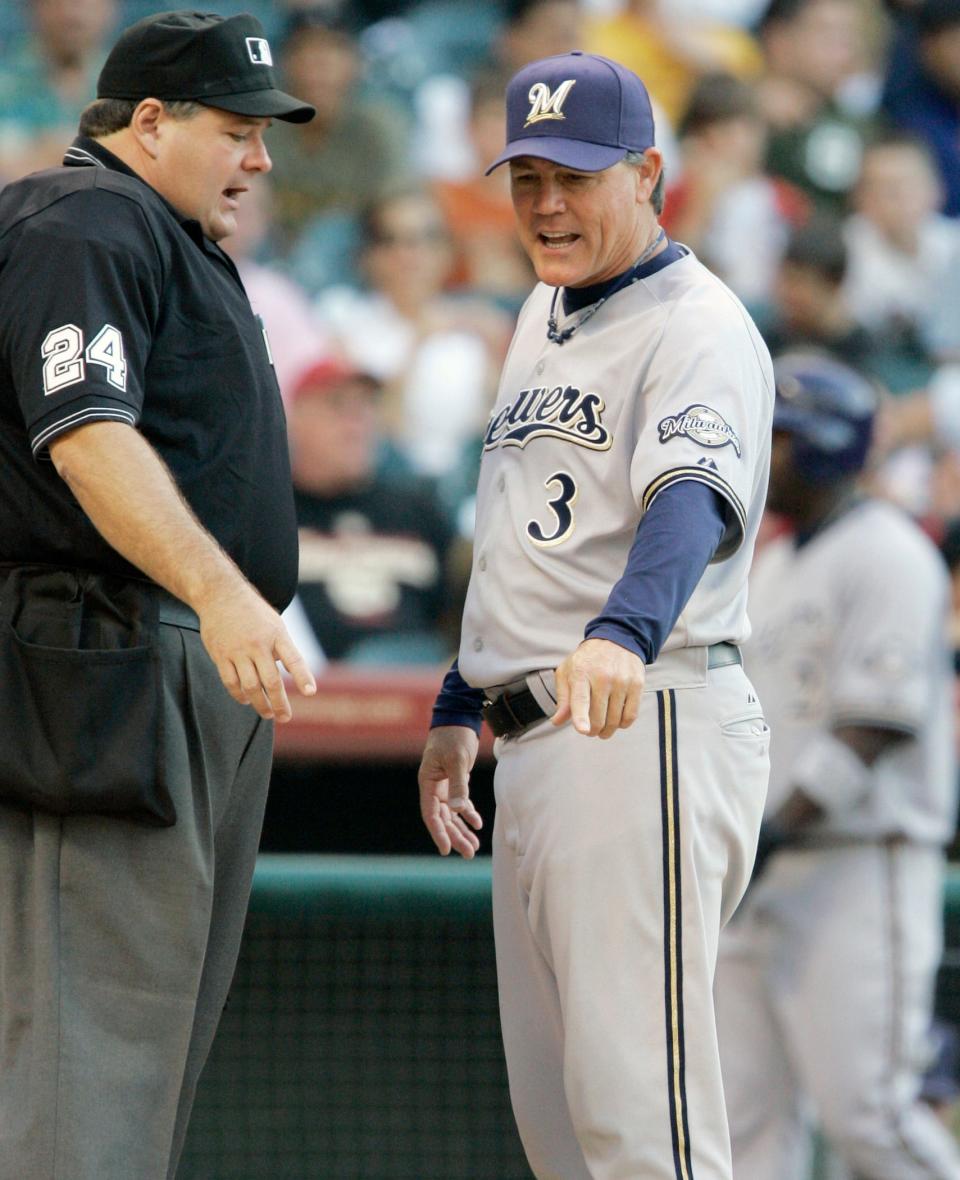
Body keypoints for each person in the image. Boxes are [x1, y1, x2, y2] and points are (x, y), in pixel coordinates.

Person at [416, 51, 773, 1179]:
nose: (547, 203)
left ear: (647, 174)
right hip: (535, 743)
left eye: (575, 174)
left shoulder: (700, 324)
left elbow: (689, 503)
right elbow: (524, 525)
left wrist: (623, 633)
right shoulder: (542, 308)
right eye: (526, 176)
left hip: (641, 720)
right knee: (565, 1135)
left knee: (643, 1126)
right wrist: (458, 702)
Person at [0, 11, 318, 1180]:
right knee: (83, 1070)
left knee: (139, 1060)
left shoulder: (162, 233)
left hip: (169, 653)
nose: (260, 157)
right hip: (106, 655)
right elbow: (85, 435)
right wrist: (224, 593)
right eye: (237, 130)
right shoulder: (86, 215)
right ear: (148, 121)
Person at [715, 352, 960, 1180]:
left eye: (778, 437)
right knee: (746, 1128)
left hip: (858, 862)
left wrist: (775, 831)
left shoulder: (889, 551)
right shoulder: (775, 564)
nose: (763, 453)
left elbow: (875, 725)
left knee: (871, 1119)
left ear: (822, 445)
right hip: (763, 871)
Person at [288, 356, 459, 664]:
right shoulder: (271, 513)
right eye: (338, 406)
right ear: (295, 417)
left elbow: (461, 611)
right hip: (304, 691)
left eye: (366, 407)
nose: (356, 423)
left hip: (417, 692)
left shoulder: (416, 510)